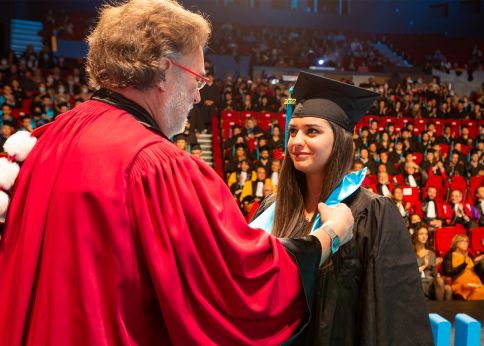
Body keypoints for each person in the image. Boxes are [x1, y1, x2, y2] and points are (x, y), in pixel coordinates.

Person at [0, 1, 355, 344]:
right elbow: (239, 285)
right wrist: (328, 237)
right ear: (166, 69)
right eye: (198, 80)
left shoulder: (51, 136)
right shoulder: (155, 165)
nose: (198, 97)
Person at [251, 72, 433, 345]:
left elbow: (391, 318)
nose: (296, 141)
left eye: (312, 130)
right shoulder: (272, 208)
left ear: (340, 140)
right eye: (292, 131)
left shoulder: (372, 213)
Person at [412, 223, 452, 301]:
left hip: (431, 282)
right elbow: (410, 272)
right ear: (416, 235)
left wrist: (435, 266)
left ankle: (444, 311)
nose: (424, 236)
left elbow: (434, 274)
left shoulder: (431, 253)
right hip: (417, 281)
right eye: (421, 234)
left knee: (448, 288)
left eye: (426, 234)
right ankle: (439, 308)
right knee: (442, 285)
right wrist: (425, 265)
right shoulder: (411, 253)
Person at [443, 234, 484, 300]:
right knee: (476, 292)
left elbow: (476, 272)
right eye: (462, 241)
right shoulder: (449, 256)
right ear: (456, 243)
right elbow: (448, 272)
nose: (465, 243)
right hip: (461, 284)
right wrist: (464, 264)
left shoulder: (470, 255)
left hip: (476, 282)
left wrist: (478, 263)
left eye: (467, 241)